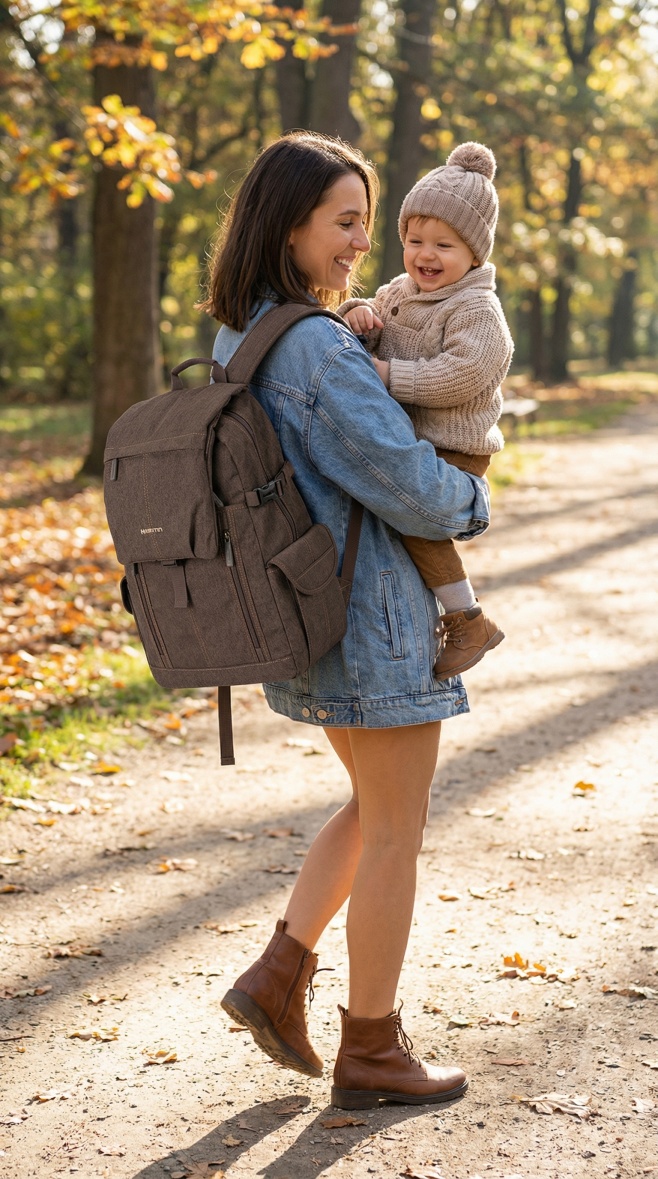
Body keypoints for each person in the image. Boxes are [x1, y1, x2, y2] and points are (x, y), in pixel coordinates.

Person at [206, 132, 490, 1109]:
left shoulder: (241, 335)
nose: (359, 246)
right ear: (286, 223)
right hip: (370, 620)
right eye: (344, 222)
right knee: (397, 830)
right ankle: (370, 1048)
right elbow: (407, 486)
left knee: (373, 811)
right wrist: (471, 509)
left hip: (307, 617)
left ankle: (275, 978)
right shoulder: (317, 346)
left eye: (365, 226)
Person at [339, 142, 514, 679]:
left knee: (412, 520)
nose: (425, 255)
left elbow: (465, 373)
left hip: (454, 449)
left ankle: (467, 619)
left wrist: (393, 377)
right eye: (415, 241)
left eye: (444, 244)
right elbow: (361, 309)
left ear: (475, 254)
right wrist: (358, 312)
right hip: (413, 440)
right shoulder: (400, 291)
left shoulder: (476, 309)